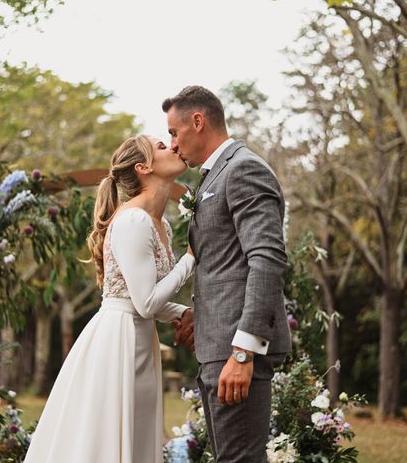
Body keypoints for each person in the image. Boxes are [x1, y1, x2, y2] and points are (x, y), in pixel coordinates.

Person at [23, 135, 195, 463]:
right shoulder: (132, 220)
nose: (172, 146)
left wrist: (184, 312)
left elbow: (139, 299)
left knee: (135, 435)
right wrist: (191, 259)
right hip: (118, 343)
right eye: (161, 146)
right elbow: (144, 303)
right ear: (143, 167)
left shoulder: (162, 224)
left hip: (139, 337)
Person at [164, 86, 291, 462]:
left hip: (235, 349)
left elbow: (266, 258)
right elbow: (225, 264)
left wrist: (243, 351)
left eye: (174, 132)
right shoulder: (215, 176)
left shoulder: (242, 169)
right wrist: (197, 316)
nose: (172, 144)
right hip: (217, 345)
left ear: (198, 122)